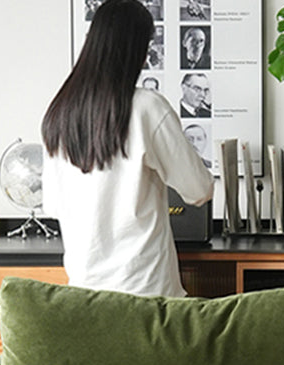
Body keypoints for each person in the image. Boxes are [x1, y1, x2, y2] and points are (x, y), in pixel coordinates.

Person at [41, 0, 213, 298]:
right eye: (146, 43)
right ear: (133, 48)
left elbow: (52, 206)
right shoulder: (148, 107)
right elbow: (199, 189)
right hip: (147, 296)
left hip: (86, 298)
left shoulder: (59, 113)